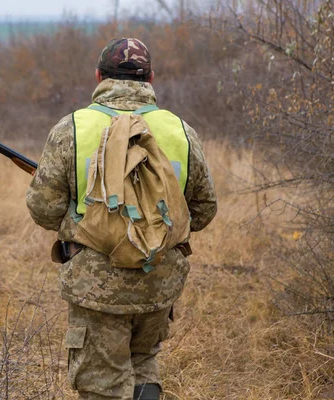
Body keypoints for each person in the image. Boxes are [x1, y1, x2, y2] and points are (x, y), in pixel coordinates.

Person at [26, 38, 218, 400]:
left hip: (96, 286)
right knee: (144, 361)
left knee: (102, 382)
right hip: (158, 280)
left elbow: (43, 209)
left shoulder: (72, 129)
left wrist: (87, 216)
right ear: (151, 78)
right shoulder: (181, 131)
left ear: (99, 76)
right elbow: (204, 210)